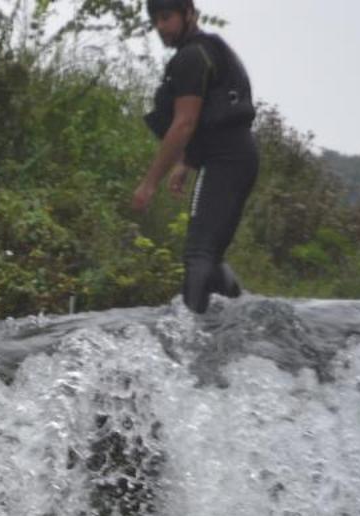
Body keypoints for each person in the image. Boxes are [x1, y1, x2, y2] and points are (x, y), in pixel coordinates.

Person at [131, 0, 257, 314]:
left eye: (166, 17)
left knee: (198, 253)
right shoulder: (206, 50)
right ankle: (246, 312)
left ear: (188, 14)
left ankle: (189, 334)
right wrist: (187, 163)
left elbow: (184, 123)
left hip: (226, 161)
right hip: (235, 157)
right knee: (210, 256)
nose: (160, 26)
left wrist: (149, 183)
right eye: (155, 20)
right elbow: (210, 117)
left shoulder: (191, 57)